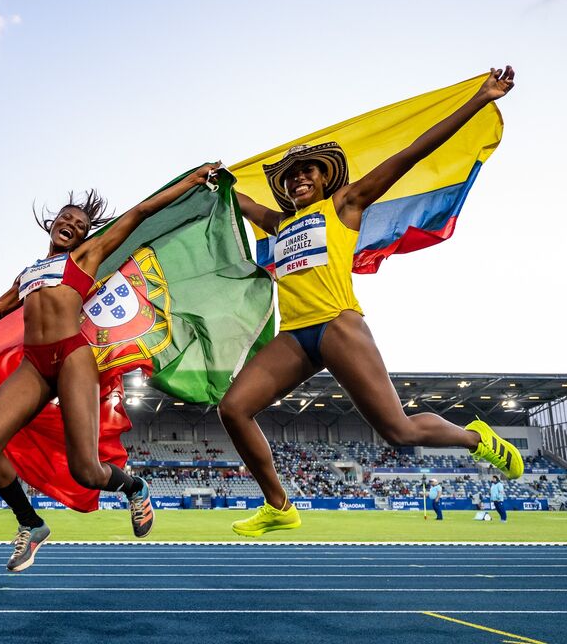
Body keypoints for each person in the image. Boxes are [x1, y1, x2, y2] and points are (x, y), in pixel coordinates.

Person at [220, 67, 524, 537]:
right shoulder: (277, 224)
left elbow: (411, 153)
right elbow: (231, 199)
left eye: (309, 170)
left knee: (399, 432)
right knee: (233, 408)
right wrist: (207, 181)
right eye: (293, 174)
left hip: (338, 325)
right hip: (295, 336)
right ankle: (279, 506)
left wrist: (480, 99)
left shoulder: (345, 204)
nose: (301, 177)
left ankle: (475, 438)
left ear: (325, 178)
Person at [0, 164, 219, 571]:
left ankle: (134, 486)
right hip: (35, 364)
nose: (71, 224)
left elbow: (140, 213)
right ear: (52, 222)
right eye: (66, 218)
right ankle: (31, 524)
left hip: (74, 357)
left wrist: (191, 180)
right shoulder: (27, 274)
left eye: (80, 224)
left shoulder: (86, 256)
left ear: (84, 235)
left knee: (87, 472)